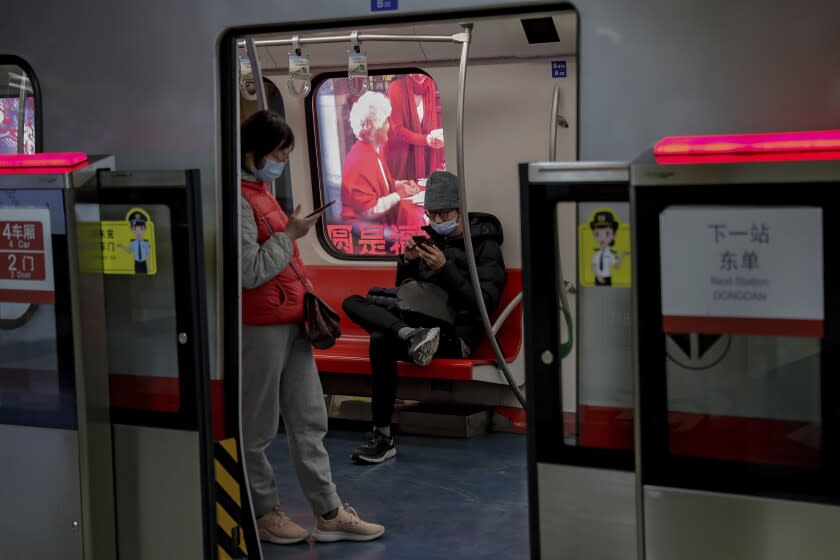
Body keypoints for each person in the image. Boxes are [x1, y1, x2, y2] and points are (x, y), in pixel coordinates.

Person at [240, 110, 384, 544]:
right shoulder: (239, 201)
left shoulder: (262, 191)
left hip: (293, 318)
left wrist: (288, 233)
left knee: (309, 421)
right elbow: (249, 271)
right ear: (253, 153)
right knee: (258, 427)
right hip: (260, 324)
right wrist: (291, 235)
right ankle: (263, 511)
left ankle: (328, 511)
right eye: (279, 153)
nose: (282, 161)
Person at [342, 171, 507, 464]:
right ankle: (383, 434)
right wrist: (407, 264)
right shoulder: (429, 239)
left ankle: (382, 433)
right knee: (353, 303)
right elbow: (406, 292)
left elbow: (483, 304)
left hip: (456, 334)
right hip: (421, 329)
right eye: (432, 214)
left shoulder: (485, 244)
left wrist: (445, 269)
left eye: (444, 214)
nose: (437, 221)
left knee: (381, 338)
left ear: (459, 209)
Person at [340, 91, 421, 228]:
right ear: (373, 127)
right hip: (361, 228)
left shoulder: (371, 150)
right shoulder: (361, 159)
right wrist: (398, 195)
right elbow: (368, 210)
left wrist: (399, 184)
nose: (389, 126)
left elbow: (378, 185)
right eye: (385, 122)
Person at [385, 73, 445, 181]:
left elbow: (432, 124)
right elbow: (397, 129)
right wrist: (425, 139)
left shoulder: (429, 84)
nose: (420, 75)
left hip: (425, 158)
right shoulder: (396, 87)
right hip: (402, 160)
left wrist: (437, 140)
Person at [590, 210, 629, 286]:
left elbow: (617, 266)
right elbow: (593, 265)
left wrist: (622, 255)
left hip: (607, 279)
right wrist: (598, 275)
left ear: (614, 235)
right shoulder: (597, 253)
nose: (602, 237)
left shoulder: (611, 254)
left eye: (607, 233)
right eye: (597, 234)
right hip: (597, 279)